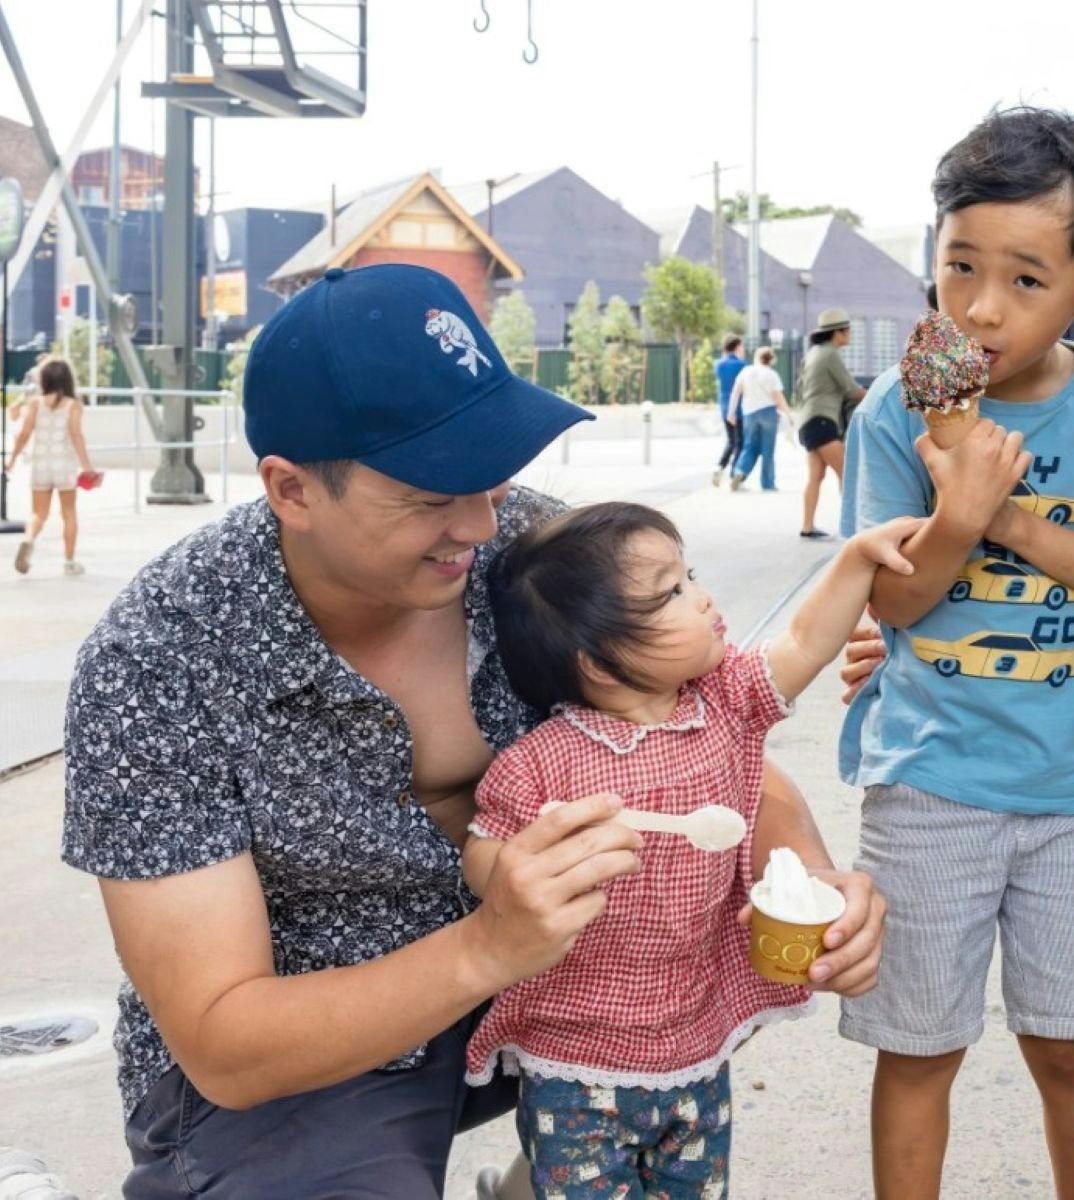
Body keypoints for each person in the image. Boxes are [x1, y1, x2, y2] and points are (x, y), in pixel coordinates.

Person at [58, 264, 887, 1197]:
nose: (482, 522)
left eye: (491, 470)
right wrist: (490, 946)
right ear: (292, 490)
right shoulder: (162, 659)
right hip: (310, 1059)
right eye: (431, 494)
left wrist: (806, 878)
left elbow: (709, 738)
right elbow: (225, 1041)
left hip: (575, 1004)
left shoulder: (536, 559)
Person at [838, 106, 1074, 1199]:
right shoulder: (893, 410)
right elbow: (894, 600)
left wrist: (1009, 519)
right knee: (919, 1049)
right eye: (960, 266)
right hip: (927, 781)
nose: (981, 307)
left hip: (1069, 794)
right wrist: (956, 511)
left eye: (1026, 280)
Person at [462, 501, 906, 1196]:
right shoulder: (541, 764)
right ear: (598, 664)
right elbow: (483, 852)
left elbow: (803, 642)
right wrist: (520, 869)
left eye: (689, 576)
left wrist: (855, 561)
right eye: (670, 592)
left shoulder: (724, 703)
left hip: (695, 1036)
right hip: (575, 1057)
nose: (702, 598)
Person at [5, 356, 96, 576]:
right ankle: (69, 562)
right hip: (64, 466)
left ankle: (28, 539)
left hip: (41, 465)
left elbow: (24, 434)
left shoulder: (35, 403)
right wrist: (87, 467)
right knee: (69, 513)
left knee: (38, 514)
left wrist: (12, 459)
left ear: (44, 379)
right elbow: (76, 436)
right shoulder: (73, 405)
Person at [793, 308, 868, 540]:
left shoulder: (812, 354)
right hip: (823, 421)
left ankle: (807, 527)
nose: (850, 334)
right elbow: (851, 390)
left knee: (815, 476)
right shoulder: (829, 354)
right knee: (848, 473)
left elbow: (799, 390)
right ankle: (851, 528)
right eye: (848, 330)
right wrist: (877, 396)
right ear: (838, 333)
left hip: (807, 421)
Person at [728, 345, 792, 492]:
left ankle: (739, 471)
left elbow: (736, 392)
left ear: (757, 357)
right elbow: (778, 397)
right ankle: (768, 483)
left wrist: (731, 412)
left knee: (749, 446)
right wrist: (788, 414)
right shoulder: (772, 375)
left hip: (749, 413)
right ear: (771, 360)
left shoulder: (746, 371)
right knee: (768, 450)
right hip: (768, 413)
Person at [711, 333, 745, 487]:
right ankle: (734, 475)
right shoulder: (742, 365)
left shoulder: (719, 364)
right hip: (739, 407)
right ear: (737, 346)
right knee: (740, 442)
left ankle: (719, 467)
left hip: (724, 407)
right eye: (741, 346)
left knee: (731, 441)